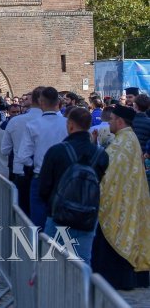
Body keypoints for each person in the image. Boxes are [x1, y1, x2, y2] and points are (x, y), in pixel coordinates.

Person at [39, 107, 108, 266]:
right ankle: (82, 291)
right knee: (83, 261)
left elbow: (44, 187)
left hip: (59, 213)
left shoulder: (56, 151)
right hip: (87, 214)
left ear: (70, 125)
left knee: (52, 261)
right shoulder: (101, 155)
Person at [91, 104, 150, 288]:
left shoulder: (123, 142)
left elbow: (109, 174)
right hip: (127, 197)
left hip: (119, 201)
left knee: (115, 237)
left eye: (111, 119)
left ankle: (116, 279)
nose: (108, 123)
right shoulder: (126, 138)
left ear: (120, 120)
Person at [16, 86, 67, 229]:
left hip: (40, 174)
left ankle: (38, 248)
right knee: (62, 218)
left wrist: (33, 164)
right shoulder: (67, 124)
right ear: (58, 102)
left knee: (38, 220)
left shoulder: (33, 125)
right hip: (63, 176)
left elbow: (23, 155)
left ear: (41, 102)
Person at [2, 87, 43, 215]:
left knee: (22, 212)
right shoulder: (59, 121)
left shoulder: (16, 121)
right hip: (46, 171)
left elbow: (4, 149)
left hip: (21, 171)